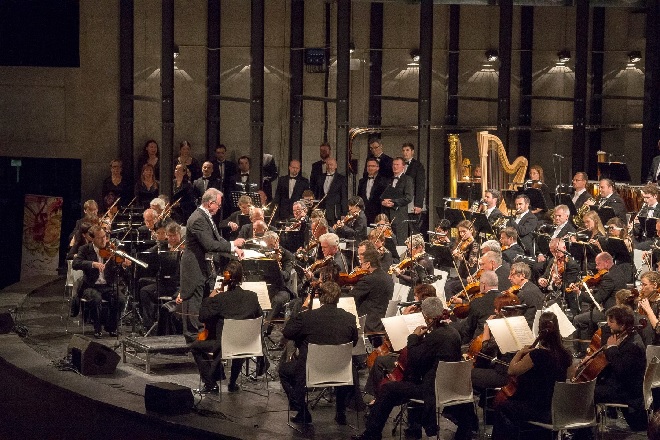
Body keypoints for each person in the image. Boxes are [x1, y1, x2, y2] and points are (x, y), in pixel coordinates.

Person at [352, 297, 477, 440]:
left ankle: (372, 434)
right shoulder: (453, 333)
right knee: (397, 388)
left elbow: (415, 359)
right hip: (452, 388)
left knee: (388, 389)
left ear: (427, 318)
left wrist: (413, 337)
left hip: (433, 390)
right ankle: (410, 426)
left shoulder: (435, 336)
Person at [280, 281, 358, 425]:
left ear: (320, 298)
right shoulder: (350, 318)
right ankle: (340, 412)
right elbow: (354, 343)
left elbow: (287, 332)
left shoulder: (307, 317)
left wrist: (302, 309)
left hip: (311, 372)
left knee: (284, 371)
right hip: (340, 371)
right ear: (338, 298)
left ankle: (302, 412)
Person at [491, 311, 572, 440]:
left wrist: (520, 352)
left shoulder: (537, 355)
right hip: (556, 409)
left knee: (503, 406)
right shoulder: (565, 354)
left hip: (539, 410)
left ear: (540, 330)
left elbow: (511, 370)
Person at [178, 188, 244, 343]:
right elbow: (209, 244)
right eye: (218, 205)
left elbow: (217, 238)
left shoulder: (205, 216)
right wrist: (232, 244)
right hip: (193, 266)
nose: (219, 208)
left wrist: (233, 249)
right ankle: (194, 341)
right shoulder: (198, 219)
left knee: (200, 300)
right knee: (193, 302)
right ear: (210, 203)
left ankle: (201, 339)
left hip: (200, 266)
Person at [189, 260, 263, 394]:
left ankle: (211, 384)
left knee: (195, 347)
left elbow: (203, 317)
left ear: (225, 278)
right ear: (242, 277)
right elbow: (260, 317)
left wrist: (210, 298)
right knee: (239, 339)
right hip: (247, 345)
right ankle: (232, 383)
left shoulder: (220, 299)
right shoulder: (252, 297)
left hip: (225, 345)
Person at [592, 305, 648, 431]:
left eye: (611, 322)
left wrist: (612, 348)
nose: (608, 325)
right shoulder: (626, 337)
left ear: (622, 325)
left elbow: (621, 370)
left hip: (627, 391)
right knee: (590, 385)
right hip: (620, 385)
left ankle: (585, 431)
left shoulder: (633, 345)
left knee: (587, 392)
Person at [72, 225, 128, 338]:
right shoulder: (85, 249)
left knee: (121, 300)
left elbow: (119, 271)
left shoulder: (111, 250)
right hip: (91, 286)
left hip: (108, 285)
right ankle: (97, 328)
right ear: (92, 239)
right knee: (96, 299)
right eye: (99, 238)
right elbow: (75, 264)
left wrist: (123, 265)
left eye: (104, 237)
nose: (103, 240)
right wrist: (93, 264)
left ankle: (112, 327)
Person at [571, 252, 627, 356]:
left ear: (607, 262)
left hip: (610, 312)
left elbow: (597, 299)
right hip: (618, 309)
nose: (596, 267)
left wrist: (579, 293)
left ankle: (583, 351)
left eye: (598, 264)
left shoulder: (609, 277)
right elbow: (607, 290)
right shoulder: (618, 271)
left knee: (578, 319)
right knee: (589, 314)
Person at [349, 246, 393, 333]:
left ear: (368, 264)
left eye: (361, 264)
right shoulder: (387, 277)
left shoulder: (368, 280)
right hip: (381, 322)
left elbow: (350, 299)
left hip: (368, 325)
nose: (360, 267)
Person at [457, 270, 500, 343]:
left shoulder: (477, 302)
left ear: (483, 285)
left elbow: (469, 330)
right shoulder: (507, 299)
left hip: (481, 343)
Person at [380, 157, 414, 245]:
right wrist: (383, 202)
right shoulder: (388, 180)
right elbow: (383, 195)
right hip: (387, 216)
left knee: (400, 242)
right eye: (394, 165)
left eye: (397, 165)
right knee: (387, 241)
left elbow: (408, 197)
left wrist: (393, 202)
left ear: (403, 166)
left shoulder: (407, 179)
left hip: (399, 216)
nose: (395, 167)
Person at [393, 234, 434, 301]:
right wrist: (405, 272)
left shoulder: (423, 262)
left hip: (423, 294)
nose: (409, 252)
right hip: (417, 289)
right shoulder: (419, 258)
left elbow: (415, 280)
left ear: (420, 247)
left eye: (410, 249)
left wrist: (400, 275)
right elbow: (415, 273)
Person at [313, 157, 347, 226]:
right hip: (322, 211)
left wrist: (344, 213)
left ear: (336, 166)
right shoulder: (320, 177)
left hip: (334, 213)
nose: (329, 167)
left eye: (331, 165)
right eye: (327, 165)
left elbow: (344, 197)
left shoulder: (341, 179)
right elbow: (317, 194)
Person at [508, 262, 543, 327]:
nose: (509, 278)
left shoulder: (524, 293)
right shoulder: (532, 287)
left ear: (522, 275)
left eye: (512, 275)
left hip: (526, 329)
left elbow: (516, 316)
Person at [401, 143, 426, 233]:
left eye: (407, 150)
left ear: (412, 152)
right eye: (403, 150)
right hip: (402, 201)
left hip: (413, 201)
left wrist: (418, 205)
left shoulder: (418, 166)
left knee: (413, 228)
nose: (405, 153)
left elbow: (420, 185)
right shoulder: (400, 164)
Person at [358, 158, 388, 224]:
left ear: (378, 168)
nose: (370, 168)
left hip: (378, 214)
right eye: (368, 166)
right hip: (364, 214)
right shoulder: (361, 181)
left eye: (373, 166)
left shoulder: (384, 181)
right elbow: (359, 198)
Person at [632, 183, 660, 250]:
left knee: (637, 247)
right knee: (627, 244)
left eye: (647, 197)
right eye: (644, 197)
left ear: (655, 196)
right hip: (642, 238)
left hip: (653, 239)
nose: (645, 200)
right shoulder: (644, 209)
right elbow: (638, 231)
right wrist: (634, 225)